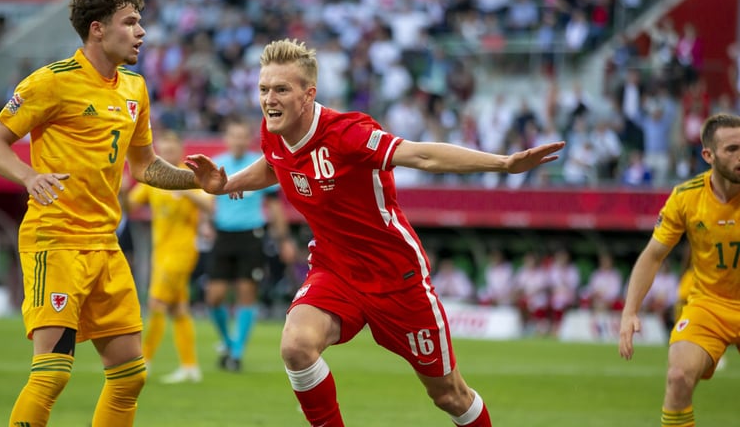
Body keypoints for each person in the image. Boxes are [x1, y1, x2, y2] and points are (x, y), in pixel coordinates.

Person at [186, 38, 564, 427]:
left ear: (308, 94)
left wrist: (503, 163)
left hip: (395, 277)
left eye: (281, 89)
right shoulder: (274, 132)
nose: (269, 99)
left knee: (449, 394)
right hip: (335, 269)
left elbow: (421, 155)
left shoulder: (347, 133)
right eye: (264, 89)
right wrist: (229, 183)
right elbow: (275, 163)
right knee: (296, 346)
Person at [0, 0, 203, 427]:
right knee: (52, 375)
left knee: (129, 377)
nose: (141, 32)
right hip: (55, 240)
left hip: (105, 245)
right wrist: (29, 175)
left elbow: (145, 168)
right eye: (131, 22)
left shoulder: (135, 89)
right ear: (98, 29)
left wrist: (200, 181)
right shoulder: (51, 82)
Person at [619, 113, 740, 427]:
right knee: (678, 377)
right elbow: (653, 256)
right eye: (732, 149)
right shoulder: (686, 198)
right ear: (708, 155)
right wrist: (630, 311)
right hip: (709, 305)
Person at [206, 115, 296, 372]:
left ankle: (236, 353)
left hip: (251, 235)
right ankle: (229, 341)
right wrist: (205, 223)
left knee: (247, 294)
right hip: (223, 235)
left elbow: (275, 207)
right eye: (233, 135)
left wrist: (284, 240)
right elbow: (210, 202)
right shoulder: (218, 165)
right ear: (226, 139)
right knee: (214, 297)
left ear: (248, 139)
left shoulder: (260, 166)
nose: (238, 140)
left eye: (242, 136)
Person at [128, 130, 213, 383]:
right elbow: (131, 205)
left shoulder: (189, 178)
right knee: (178, 309)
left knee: (156, 304)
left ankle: (143, 362)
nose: (166, 152)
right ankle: (190, 366)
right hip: (160, 253)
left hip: (181, 252)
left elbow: (210, 205)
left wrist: (186, 192)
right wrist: (121, 191)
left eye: (171, 148)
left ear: (180, 151)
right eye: (162, 148)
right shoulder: (155, 178)